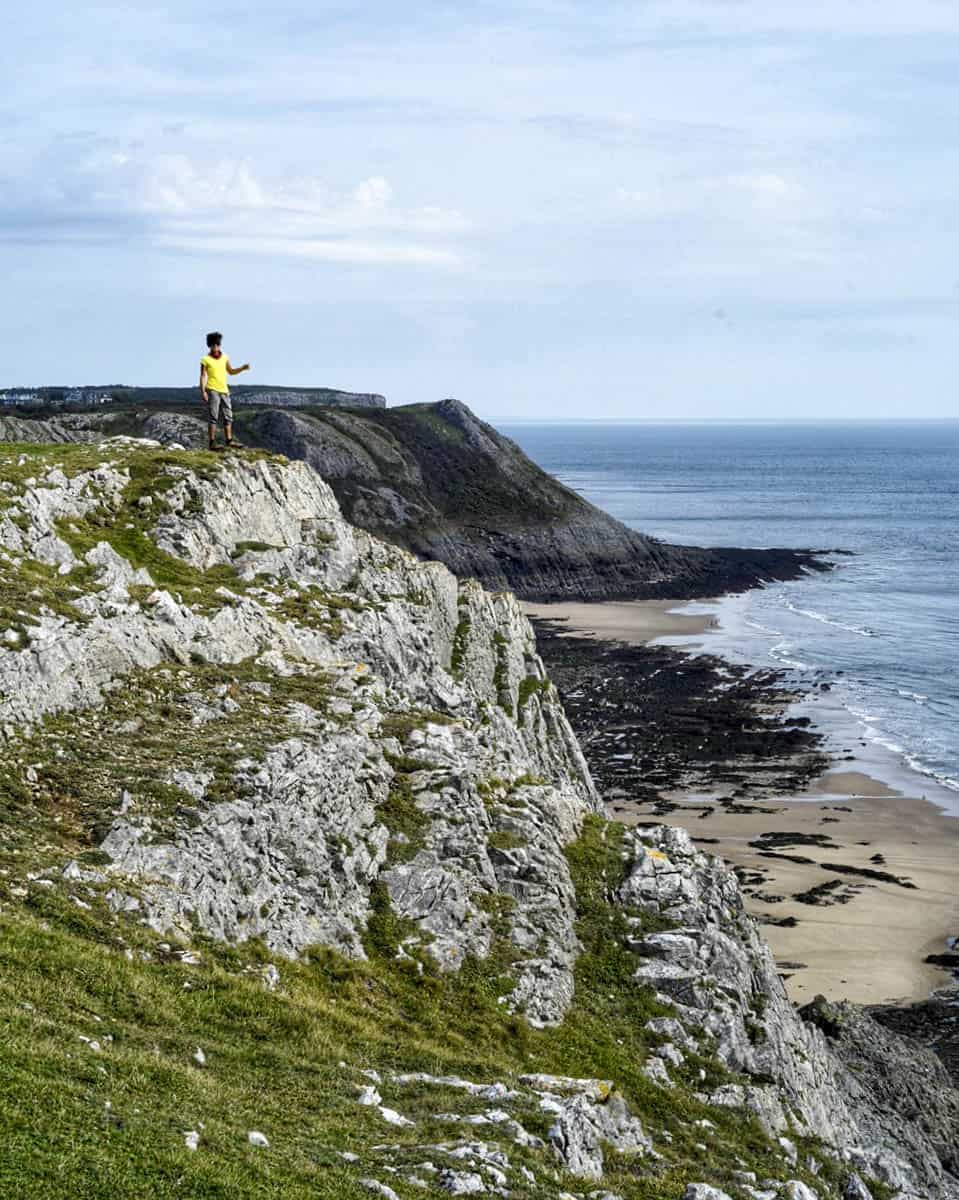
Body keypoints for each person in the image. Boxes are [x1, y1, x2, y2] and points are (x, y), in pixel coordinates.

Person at [199, 331, 251, 450]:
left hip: (224, 390)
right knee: (213, 417)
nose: (215, 347)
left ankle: (229, 441)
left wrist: (242, 368)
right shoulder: (205, 359)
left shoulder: (225, 357)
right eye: (213, 345)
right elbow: (202, 376)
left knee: (228, 416)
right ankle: (212, 444)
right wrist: (203, 391)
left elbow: (231, 371)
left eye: (217, 345)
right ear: (209, 345)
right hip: (212, 389)